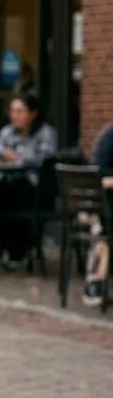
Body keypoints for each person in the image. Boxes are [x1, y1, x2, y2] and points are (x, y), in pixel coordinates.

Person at [0, 93, 59, 266]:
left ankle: (20, 250)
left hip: (36, 185)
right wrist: (4, 154)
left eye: (20, 111)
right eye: (12, 111)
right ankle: (10, 248)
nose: (14, 116)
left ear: (33, 114)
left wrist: (16, 156)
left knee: (12, 198)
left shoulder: (45, 132)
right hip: (9, 181)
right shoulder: (8, 131)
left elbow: (43, 159)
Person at [82, 122, 113, 307]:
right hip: (103, 205)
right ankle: (96, 279)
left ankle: (95, 279)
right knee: (103, 228)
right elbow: (97, 170)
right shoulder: (110, 135)